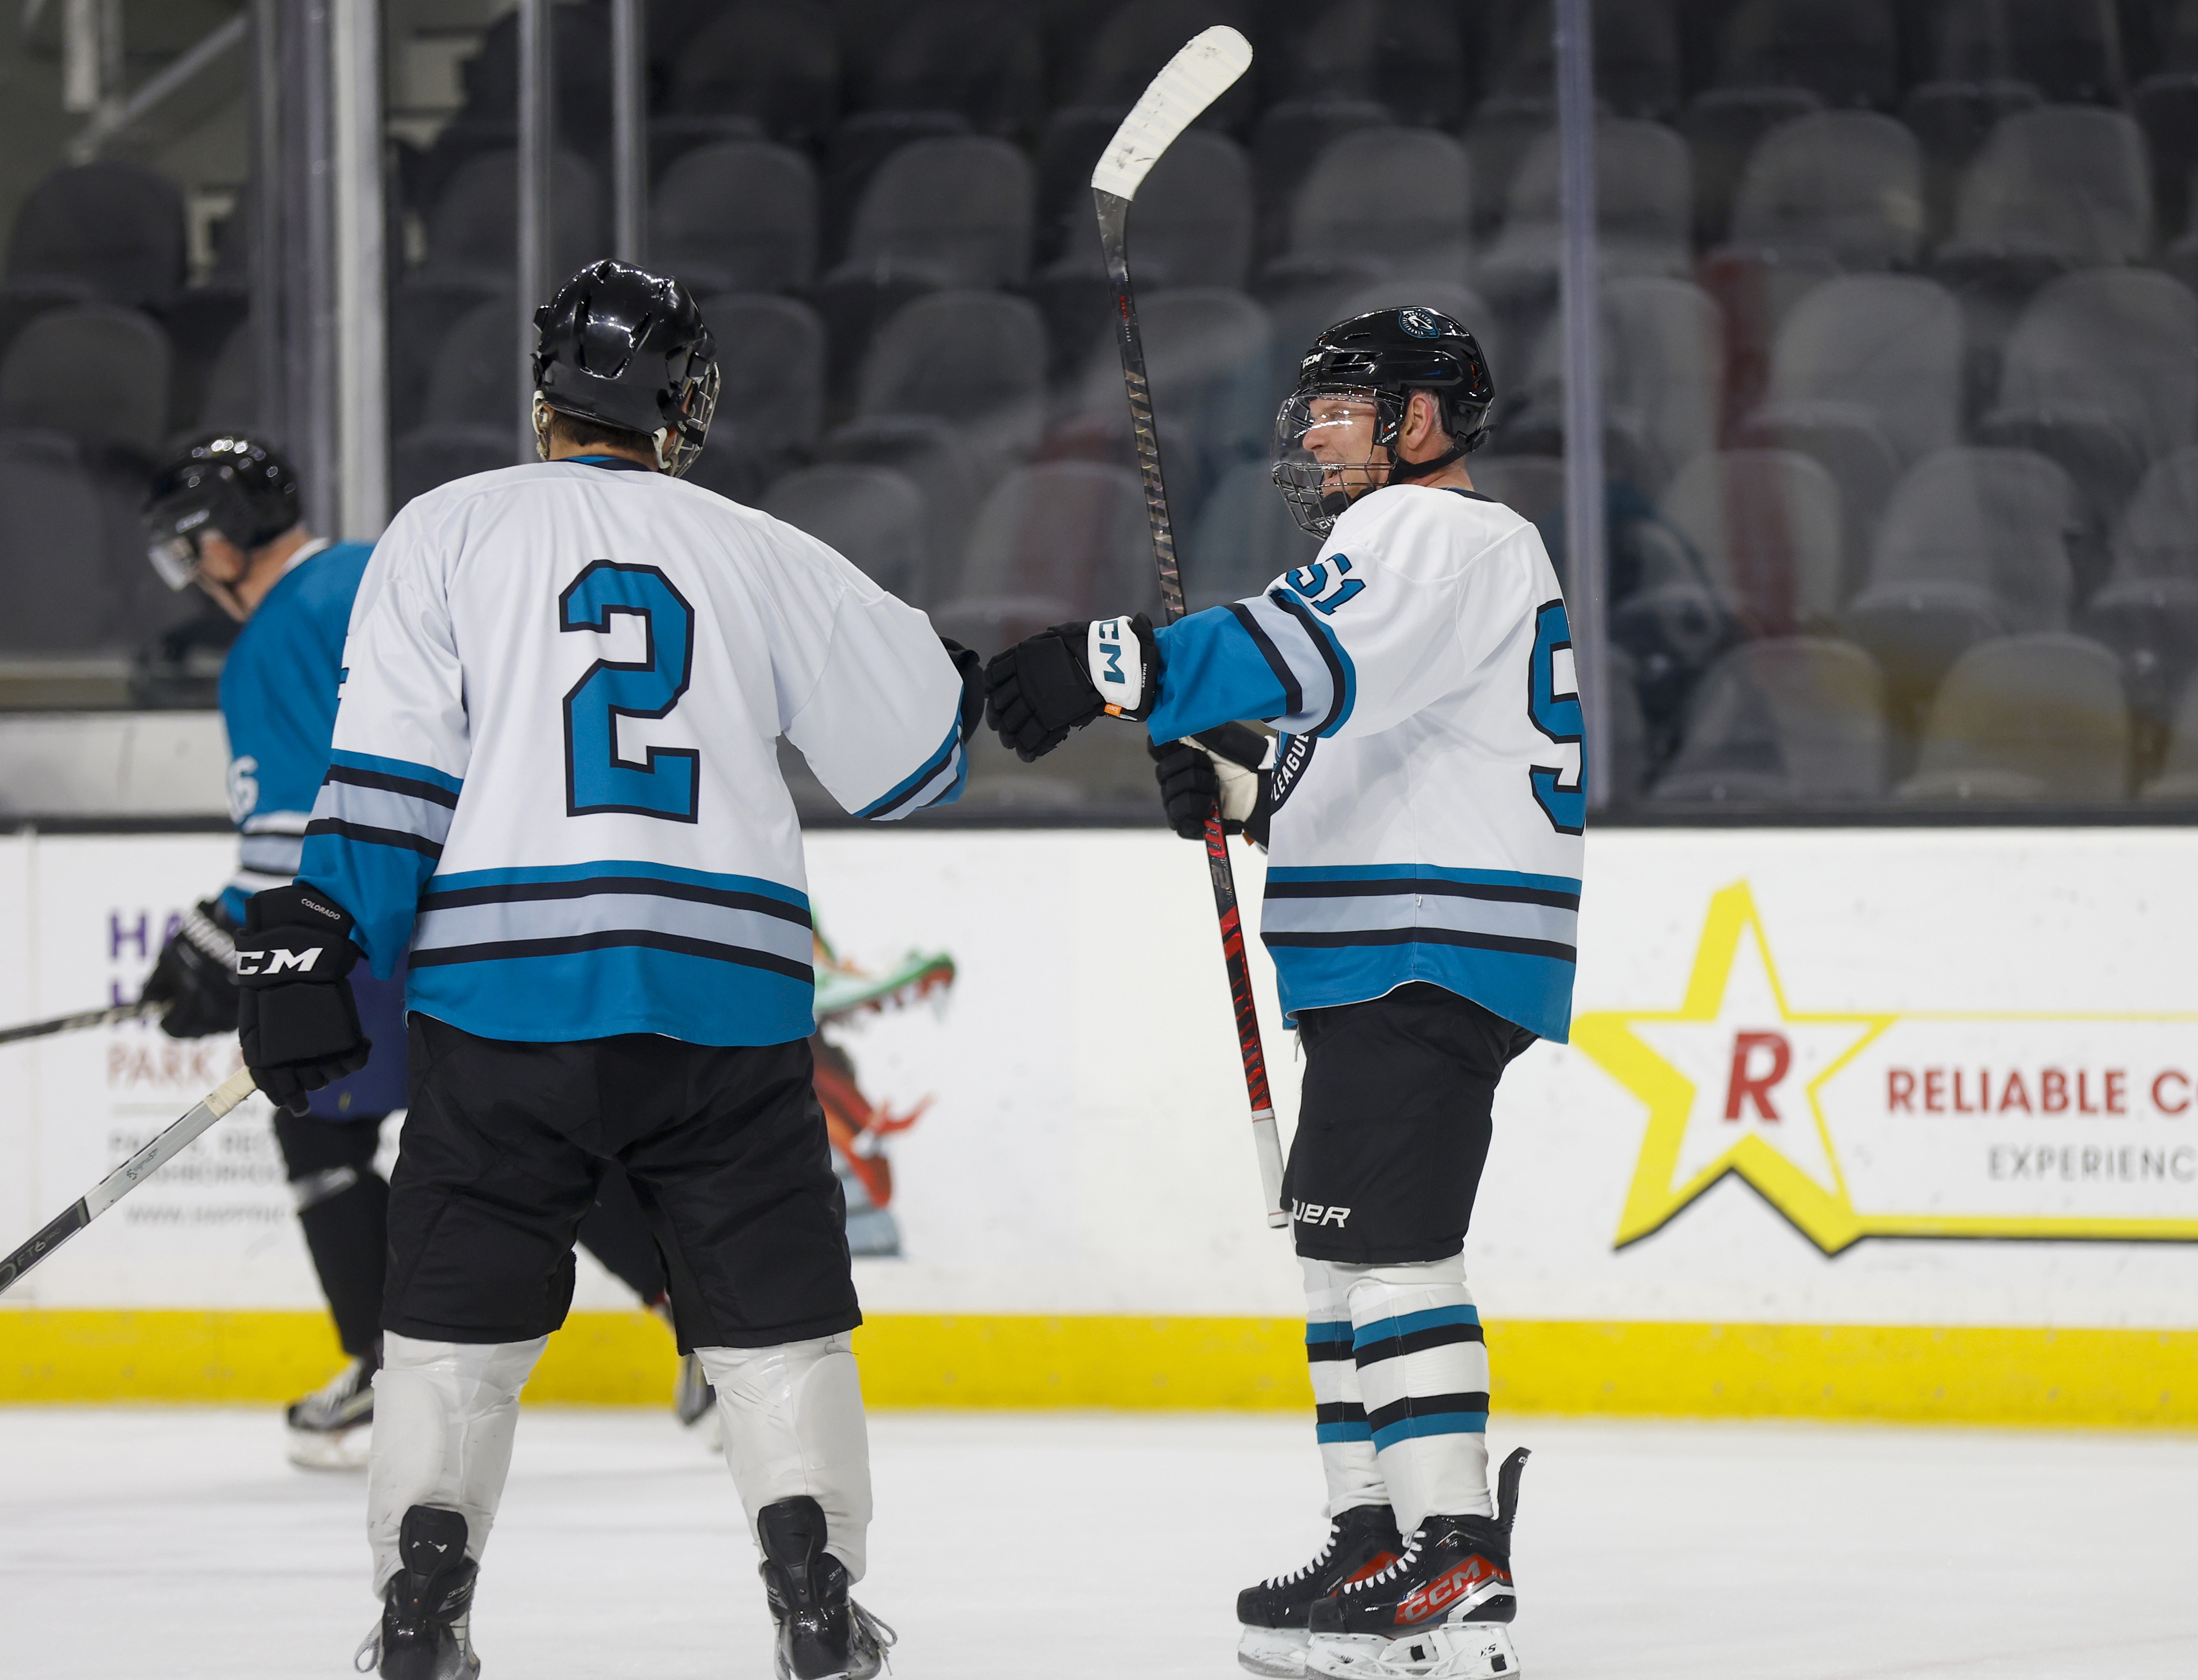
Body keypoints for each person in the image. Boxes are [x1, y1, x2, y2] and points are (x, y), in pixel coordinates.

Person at [234, 260, 976, 1680]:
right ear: (682, 406)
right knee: (773, 1325)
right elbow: (920, 755)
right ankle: (813, 1586)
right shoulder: (759, 547)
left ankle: (421, 1602)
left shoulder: (446, 528)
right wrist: (933, 670)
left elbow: (386, 779)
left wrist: (318, 934)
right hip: (726, 1003)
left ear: (544, 394)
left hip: (502, 1001)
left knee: (452, 1325)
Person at [981, 307, 1583, 1680]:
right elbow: (1364, 746)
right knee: (1337, 1256)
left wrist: (1104, 664)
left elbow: (1295, 655)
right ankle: (1372, 1532)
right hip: (1395, 944)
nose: (1310, 431)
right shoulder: (1440, 553)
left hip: (1421, 949)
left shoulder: (1430, 534)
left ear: (1419, 422)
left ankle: (1452, 1553)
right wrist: (1247, 782)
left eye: (1341, 406)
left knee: (1391, 1256)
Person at [136, 437, 685, 1470]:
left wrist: (225, 934)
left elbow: (303, 826)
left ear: (217, 542)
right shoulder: (391, 563)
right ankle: (700, 1315)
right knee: (525, 1128)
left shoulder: (272, 635)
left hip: (393, 913)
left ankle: (381, 1372)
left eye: (184, 551)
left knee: (319, 1132)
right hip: (516, 890)